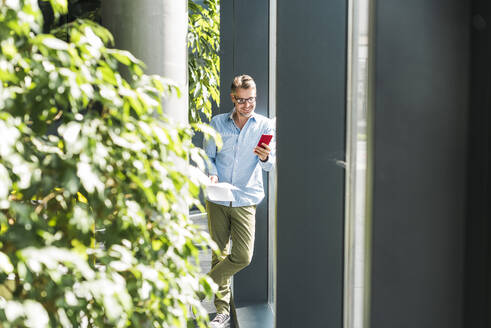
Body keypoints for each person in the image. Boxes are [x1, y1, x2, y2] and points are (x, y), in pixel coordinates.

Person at [204, 75, 275, 327]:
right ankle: (222, 312)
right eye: (242, 100)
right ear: (233, 98)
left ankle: (199, 286)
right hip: (218, 198)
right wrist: (211, 172)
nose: (247, 105)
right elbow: (207, 157)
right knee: (218, 253)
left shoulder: (265, 126)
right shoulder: (217, 123)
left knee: (243, 256)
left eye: (252, 99)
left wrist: (266, 158)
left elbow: (269, 166)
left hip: (246, 199)